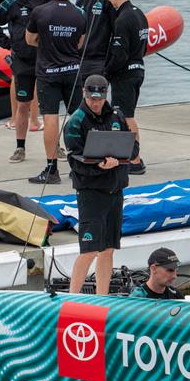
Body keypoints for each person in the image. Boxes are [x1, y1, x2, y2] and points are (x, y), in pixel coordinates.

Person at [64, 75, 138, 295]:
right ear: (84, 94)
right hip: (91, 193)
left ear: (105, 95)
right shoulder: (76, 121)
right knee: (89, 250)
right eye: (91, 98)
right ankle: (72, 297)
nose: (95, 103)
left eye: (99, 98)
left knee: (107, 250)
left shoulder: (117, 115)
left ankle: (103, 297)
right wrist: (100, 166)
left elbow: (133, 148)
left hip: (115, 190)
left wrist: (120, 159)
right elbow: (74, 160)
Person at [0, 0, 52, 164]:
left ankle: (56, 146)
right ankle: (20, 147)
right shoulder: (13, 1)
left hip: (47, 59)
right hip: (22, 61)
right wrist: (7, 43)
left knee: (50, 107)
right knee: (23, 105)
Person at [25, 0, 86, 185]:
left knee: (50, 118)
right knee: (78, 117)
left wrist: (48, 42)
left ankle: (52, 169)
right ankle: (81, 164)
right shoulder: (79, 13)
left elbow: (30, 39)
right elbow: (80, 43)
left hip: (48, 71)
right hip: (71, 70)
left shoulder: (40, 11)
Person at [103, 0, 148, 175]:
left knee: (125, 116)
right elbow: (144, 45)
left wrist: (107, 72)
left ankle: (135, 159)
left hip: (126, 74)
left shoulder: (122, 19)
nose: (110, 3)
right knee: (128, 115)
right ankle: (132, 156)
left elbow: (119, 53)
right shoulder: (140, 14)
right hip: (139, 68)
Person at [73, 0, 116, 85]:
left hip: (100, 60)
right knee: (81, 101)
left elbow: (116, 30)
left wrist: (110, 61)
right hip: (80, 60)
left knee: (96, 101)